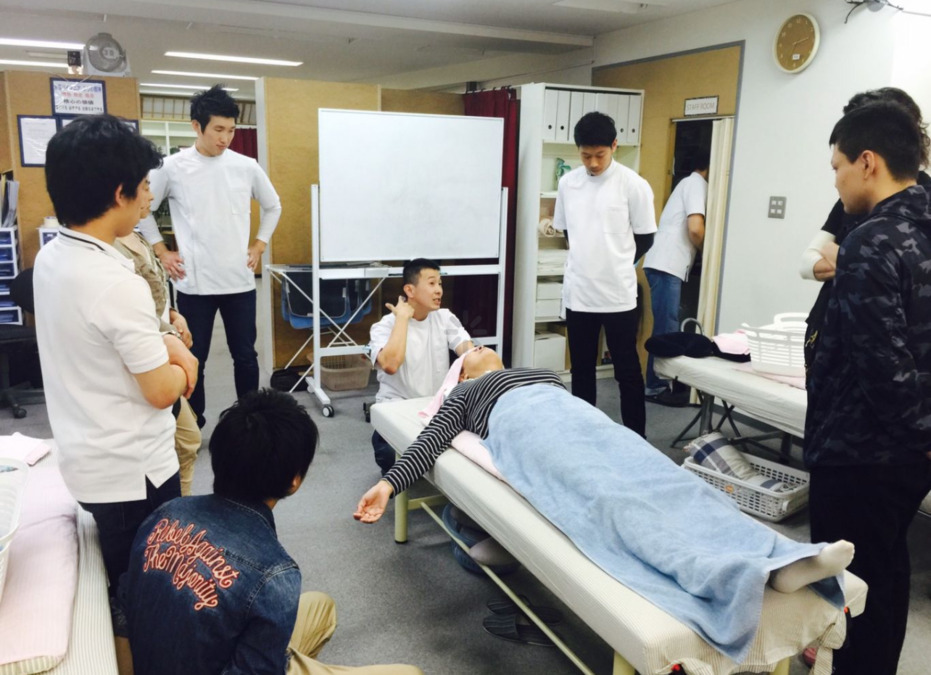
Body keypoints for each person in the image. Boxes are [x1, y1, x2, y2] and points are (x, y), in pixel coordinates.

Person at [355, 348, 854, 661]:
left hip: (582, 424)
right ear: (460, 375)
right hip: (534, 435)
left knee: (672, 483)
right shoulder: (465, 396)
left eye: (486, 347)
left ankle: (782, 559)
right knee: (614, 501)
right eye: (470, 353)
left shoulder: (539, 373)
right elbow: (427, 443)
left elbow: (580, 409)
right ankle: (726, 574)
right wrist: (389, 486)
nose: (480, 348)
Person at [121, 389, 423, 675]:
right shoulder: (275, 573)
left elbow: (125, 606)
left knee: (321, 606)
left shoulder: (167, 513)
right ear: (294, 480)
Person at [34, 114, 198, 609]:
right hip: (134, 475)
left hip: (88, 458)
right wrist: (184, 361)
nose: (150, 198)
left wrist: (161, 344)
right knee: (146, 596)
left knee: (123, 584)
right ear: (120, 192)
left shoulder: (53, 257)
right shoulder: (113, 281)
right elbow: (163, 391)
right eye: (146, 187)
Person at [805, 100, 931, 675]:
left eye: (838, 167)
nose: (837, 180)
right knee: (888, 572)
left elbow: (884, 368)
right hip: (905, 459)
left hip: (862, 454)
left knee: (853, 588)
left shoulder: (872, 241)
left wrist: (919, 435)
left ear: (868, 162)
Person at [138, 84, 282, 428]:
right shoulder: (172, 167)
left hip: (239, 281)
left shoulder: (245, 166)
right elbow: (143, 209)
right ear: (196, 127)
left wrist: (260, 244)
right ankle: (194, 419)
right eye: (218, 129)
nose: (225, 138)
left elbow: (273, 205)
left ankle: (249, 418)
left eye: (231, 130)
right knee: (194, 358)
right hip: (194, 285)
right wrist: (161, 250)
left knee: (246, 356)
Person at [799, 87, 931, 375]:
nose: (836, 180)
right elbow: (808, 261)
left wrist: (849, 258)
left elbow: (887, 379)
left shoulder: (870, 241)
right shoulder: (853, 208)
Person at [554, 111, 657, 437]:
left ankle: (636, 438)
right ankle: (584, 436)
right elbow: (567, 231)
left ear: (614, 146)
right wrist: (589, 261)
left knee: (627, 371)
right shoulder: (568, 184)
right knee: (581, 370)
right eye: (586, 155)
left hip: (618, 295)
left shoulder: (634, 185)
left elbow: (646, 237)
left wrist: (615, 263)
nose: (593, 162)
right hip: (580, 294)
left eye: (600, 155)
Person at [116, 221, 202, 496]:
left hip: (162, 342)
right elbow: (131, 311)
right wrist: (169, 339)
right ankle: (174, 516)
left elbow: (155, 295)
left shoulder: (137, 236)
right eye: (144, 188)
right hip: (148, 354)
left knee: (187, 442)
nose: (150, 196)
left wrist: (174, 316)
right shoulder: (111, 248)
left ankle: (180, 511)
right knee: (179, 444)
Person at [367, 258, 473, 474]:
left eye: (440, 284)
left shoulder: (444, 318)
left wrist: (471, 358)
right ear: (410, 290)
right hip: (396, 409)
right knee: (390, 457)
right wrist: (403, 320)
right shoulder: (383, 326)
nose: (439, 291)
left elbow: (466, 351)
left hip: (436, 410)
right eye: (432, 283)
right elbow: (390, 364)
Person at [642, 149, 710, 403]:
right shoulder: (696, 184)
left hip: (664, 263)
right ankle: (656, 386)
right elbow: (695, 228)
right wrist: (709, 253)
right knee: (667, 328)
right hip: (666, 265)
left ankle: (660, 384)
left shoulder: (688, 184)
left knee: (666, 326)